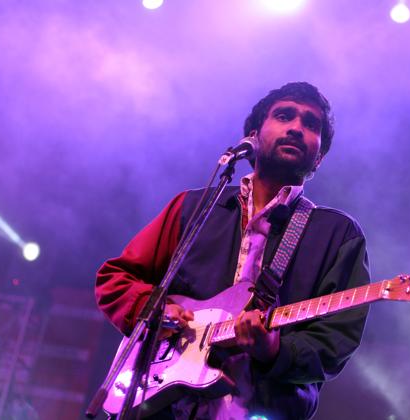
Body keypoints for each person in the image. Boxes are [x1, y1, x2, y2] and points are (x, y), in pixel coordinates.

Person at [96, 82, 370, 419]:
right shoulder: (194, 207)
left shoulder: (338, 235)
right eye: (284, 116)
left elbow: (336, 340)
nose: (297, 128)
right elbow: (116, 278)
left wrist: (274, 350)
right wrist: (155, 309)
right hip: (159, 406)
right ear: (253, 136)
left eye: (311, 124)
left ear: (321, 155)